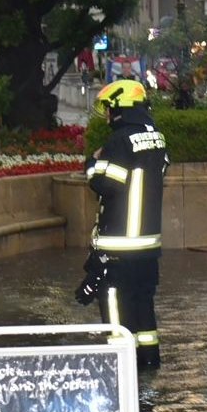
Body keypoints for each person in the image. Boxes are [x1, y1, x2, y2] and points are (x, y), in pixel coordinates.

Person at [77, 79, 170, 368]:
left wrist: (91, 165)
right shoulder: (156, 138)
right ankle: (149, 365)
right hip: (147, 249)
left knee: (117, 313)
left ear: (120, 107)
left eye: (109, 108)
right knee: (143, 310)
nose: (107, 114)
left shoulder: (119, 141)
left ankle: (121, 370)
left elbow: (106, 184)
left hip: (119, 247)